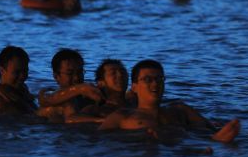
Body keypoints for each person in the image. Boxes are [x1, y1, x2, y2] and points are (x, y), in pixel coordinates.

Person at [100, 59, 240, 144]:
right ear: (134, 87)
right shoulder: (123, 117)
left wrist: (220, 134)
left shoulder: (180, 111)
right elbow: (98, 141)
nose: (155, 84)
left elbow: (207, 129)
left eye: (159, 79)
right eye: (148, 80)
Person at [38, 49, 103, 122]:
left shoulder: (89, 95)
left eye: (80, 72)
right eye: (70, 73)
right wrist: (80, 89)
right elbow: (45, 98)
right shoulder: (53, 98)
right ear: (56, 76)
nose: (76, 78)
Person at [0, 46, 37, 115]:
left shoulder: (24, 90)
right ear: (2, 71)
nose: (22, 76)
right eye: (17, 72)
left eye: (25, 71)